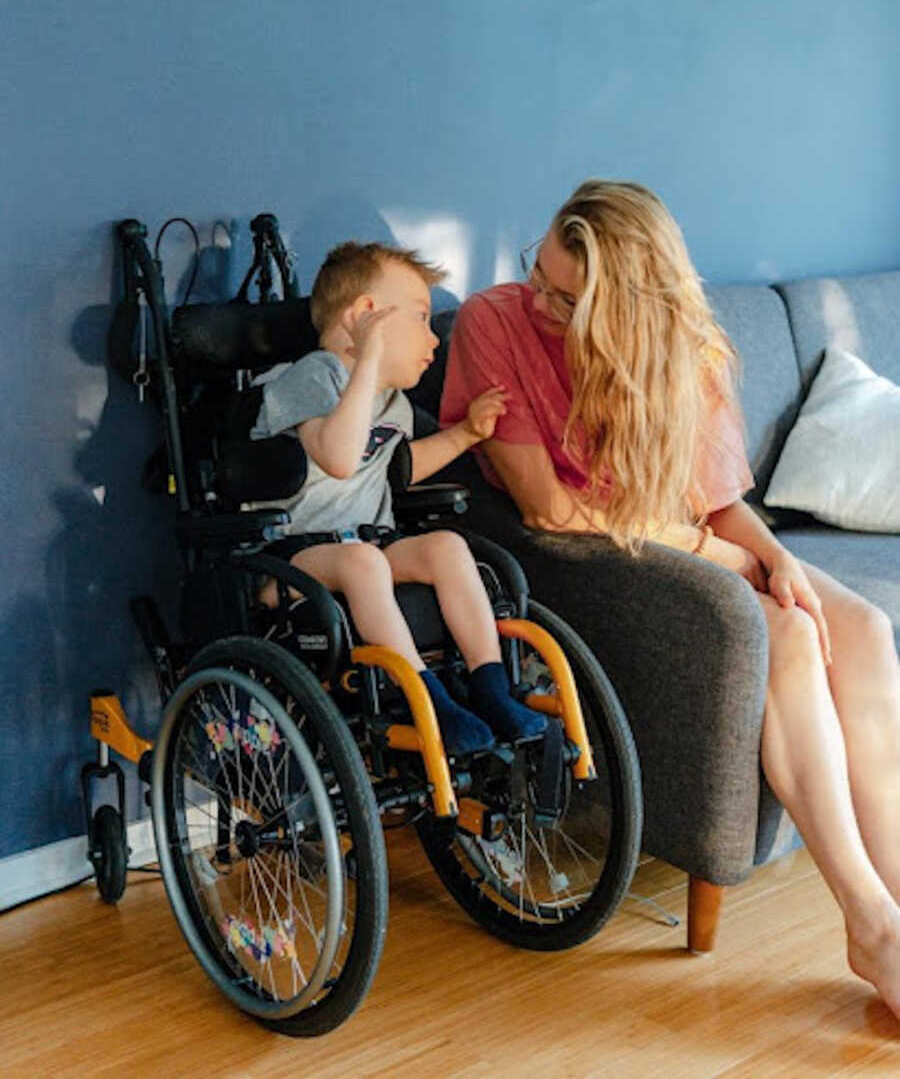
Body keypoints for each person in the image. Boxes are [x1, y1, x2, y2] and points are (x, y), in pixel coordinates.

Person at [440, 180, 900, 1018]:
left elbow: (719, 498)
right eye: (537, 272)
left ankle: (898, 906)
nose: (536, 297)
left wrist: (768, 555)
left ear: (626, 309)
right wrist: (719, 553)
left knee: (863, 628)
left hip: (694, 542)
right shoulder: (494, 325)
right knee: (787, 640)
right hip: (604, 569)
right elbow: (548, 509)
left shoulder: (687, 349)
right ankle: (869, 924)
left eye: (565, 296)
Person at [250, 240, 547, 756]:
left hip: (367, 543)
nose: (433, 339)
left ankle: (491, 686)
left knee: (448, 546)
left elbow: (397, 470)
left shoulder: (391, 401)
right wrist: (368, 360)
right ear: (367, 315)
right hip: (290, 559)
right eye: (422, 319)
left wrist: (468, 434)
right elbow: (339, 457)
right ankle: (427, 700)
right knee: (364, 563)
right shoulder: (313, 375)